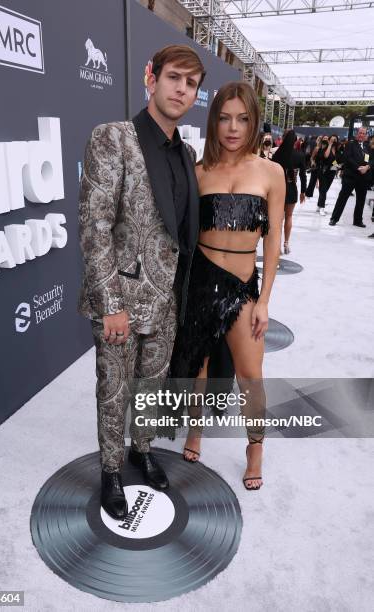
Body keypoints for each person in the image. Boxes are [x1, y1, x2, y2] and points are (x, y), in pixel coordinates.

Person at [78, 45, 205, 519]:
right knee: (113, 390)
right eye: (174, 77)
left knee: (151, 386)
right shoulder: (115, 138)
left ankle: (142, 449)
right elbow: (94, 227)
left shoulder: (186, 151)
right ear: (150, 77)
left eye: (190, 84)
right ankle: (111, 470)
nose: (181, 89)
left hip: (167, 300)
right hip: (122, 301)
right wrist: (109, 301)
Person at [169, 81, 285, 490]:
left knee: (250, 374)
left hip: (241, 286)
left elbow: (273, 240)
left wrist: (264, 299)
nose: (233, 128)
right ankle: (195, 430)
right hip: (200, 281)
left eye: (242, 118)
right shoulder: (199, 171)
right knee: (197, 371)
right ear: (214, 120)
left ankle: (255, 448)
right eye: (224, 118)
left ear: (253, 122)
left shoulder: (272, 172)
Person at [329, 127, 372, 227]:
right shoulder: (350, 144)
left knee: (361, 200)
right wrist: (358, 168)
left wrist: (366, 167)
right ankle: (334, 219)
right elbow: (347, 158)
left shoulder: (367, 147)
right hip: (350, 176)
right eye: (360, 133)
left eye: (363, 133)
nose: (361, 135)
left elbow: (371, 159)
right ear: (357, 134)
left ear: (366, 135)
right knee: (342, 198)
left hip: (363, 177)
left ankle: (357, 221)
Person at [272, 130, 306, 254]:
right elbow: (303, 175)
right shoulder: (300, 155)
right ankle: (286, 243)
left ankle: (277, 245)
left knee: (278, 219)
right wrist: (303, 192)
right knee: (289, 216)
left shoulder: (277, 154)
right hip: (292, 188)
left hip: (277, 189)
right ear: (295, 140)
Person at [316, 134, 339, 216]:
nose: (333, 141)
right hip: (323, 172)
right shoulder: (325, 147)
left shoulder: (336, 150)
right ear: (329, 140)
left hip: (331, 173)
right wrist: (329, 145)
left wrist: (337, 166)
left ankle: (319, 205)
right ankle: (322, 207)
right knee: (323, 190)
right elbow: (326, 156)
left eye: (335, 140)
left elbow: (334, 160)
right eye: (332, 139)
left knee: (324, 190)